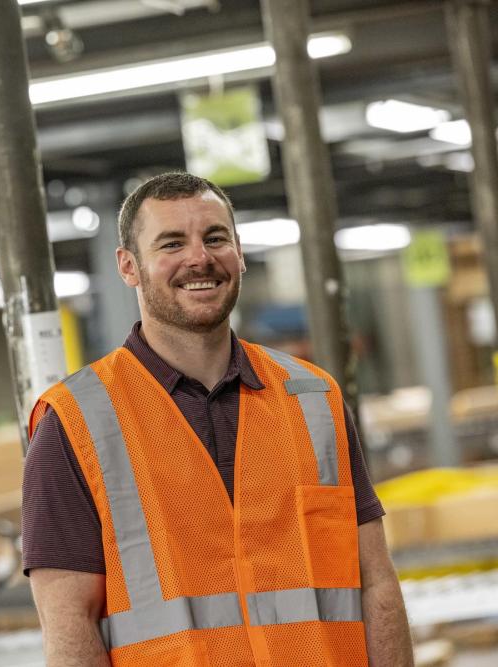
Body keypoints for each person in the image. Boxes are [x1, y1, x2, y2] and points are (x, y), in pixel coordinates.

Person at [22, 172, 413, 666]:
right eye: (171, 243)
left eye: (215, 238)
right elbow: (69, 626)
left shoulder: (313, 396)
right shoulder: (75, 421)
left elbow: (375, 580)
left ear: (240, 252)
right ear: (129, 266)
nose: (199, 258)